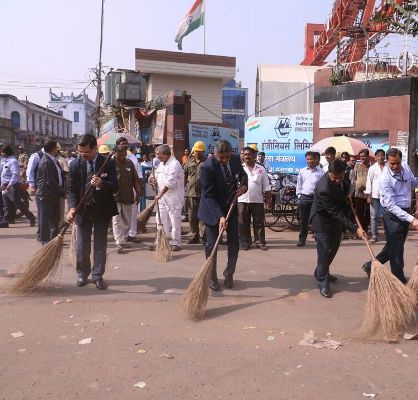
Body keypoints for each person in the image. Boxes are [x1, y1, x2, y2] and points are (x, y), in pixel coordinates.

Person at [67, 134, 118, 290]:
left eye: (86, 152)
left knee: (100, 244)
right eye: (80, 152)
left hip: (102, 209)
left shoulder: (107, 163)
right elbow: (71, 189)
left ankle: (97, 275)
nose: (83, 155)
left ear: (95, 148)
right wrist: (72, 208)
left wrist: (102, 183)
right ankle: (82, 274)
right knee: (82, 245)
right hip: (83, 210)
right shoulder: (75, 165)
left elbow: (116, 186)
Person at [361, 148, 418, 283]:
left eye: (397, 163)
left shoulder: (405, 167)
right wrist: (412, 219)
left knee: (394, 245)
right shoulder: (384, 179)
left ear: (401, 160)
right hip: (392, 214)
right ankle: (399, 279)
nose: (395, 166)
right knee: (397, 249)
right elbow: (391, 206)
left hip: (405, 211)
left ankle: (370, 265)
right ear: (387, 161)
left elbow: (412, 182)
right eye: (392, 163)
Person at [309, 159, 364, 298]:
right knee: (325, 248)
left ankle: (321, 271)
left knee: (335, 245)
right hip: (322, 219)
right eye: (335, 178)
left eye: (340, 177)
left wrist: (347, 196)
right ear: (329, 173)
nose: (338, 180)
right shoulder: (323, 188)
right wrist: (355, 228)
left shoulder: (343, 179)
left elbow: (344, 192)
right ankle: (322, 281)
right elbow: (335, 212)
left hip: (335, 219)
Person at [198, 140, 248, 291]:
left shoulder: (233, 160)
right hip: (212, 210)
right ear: (215, 153)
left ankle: (229, 273)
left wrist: (244, 187)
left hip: (231, 208)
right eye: (222, 158)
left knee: (234, 242)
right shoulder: (207, 167)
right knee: (211, 245)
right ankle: (212, 277)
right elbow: (209, 196)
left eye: (227, 157)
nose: (225, 161)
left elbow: (243, 175)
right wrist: (220, 216)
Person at [149, 144, 184, 251]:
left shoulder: (175, 164)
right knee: (160, 220)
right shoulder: (160, 164)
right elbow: (154, 176)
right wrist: (151, 180)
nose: (157, 156)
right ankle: (160, 241)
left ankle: (176, 243)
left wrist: (160, 194)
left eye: (158, 154)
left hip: (174, 198)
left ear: (165, 154)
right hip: (162, 198)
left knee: (174, 221)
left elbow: (170, 183)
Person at [238, 146, 270, 250]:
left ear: (254, 156)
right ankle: (245, 242)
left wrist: (268, 198)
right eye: (245, 154)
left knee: (259, 222)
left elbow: (266, 185)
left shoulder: (261, 169)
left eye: (249, 155)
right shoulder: (240, 168)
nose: (247, 156)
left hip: (257, 200)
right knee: (243, 223)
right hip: (242, 200)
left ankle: (260, 242)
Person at [112, 145, 141, 253]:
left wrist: (138, 193)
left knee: (127, 221)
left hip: (128, 196)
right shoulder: (110, 164)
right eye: (119, 155)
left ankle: (123, 240)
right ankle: (119, 242)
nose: (121, 157)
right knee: (116, 220)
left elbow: (135, 180)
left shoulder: (129, 163)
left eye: (123, 155)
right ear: (115, 153)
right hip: (115, 197)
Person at [35, 140, 65, 245]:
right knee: (44, 221)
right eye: (57, 148)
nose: (58, 150)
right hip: (45, 196)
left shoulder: (53, 160)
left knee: (54, 220)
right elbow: (49, 181)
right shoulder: (46, 161)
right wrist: (63, 191)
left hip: (53, 195)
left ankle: (54, 240)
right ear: (53, 148)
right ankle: (45, 242)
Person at [1, 145, 35, 226]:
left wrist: (9, 185)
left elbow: (15, 174)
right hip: (5, 186)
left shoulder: (13, 161)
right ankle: (6, 222)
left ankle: (31, 217)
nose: (1, 153)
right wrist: (2, 184)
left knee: (18, 204)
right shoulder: (6, 161)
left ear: (6, 153)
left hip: (12, 186)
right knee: (7, 205)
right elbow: (4, 175)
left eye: (2, 152)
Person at [296, 151, 324, 247]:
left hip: (316, 199)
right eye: (307, 159)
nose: (309, 161)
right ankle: (302, 239)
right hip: (305, 198)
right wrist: (299, 196)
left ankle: (318, 240)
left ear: (315, 159)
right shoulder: (302, 171)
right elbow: (299, 184)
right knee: (304, 220)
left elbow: (323, 186)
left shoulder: (321, 172)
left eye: (311, 159)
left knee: (317, 220)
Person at [183, 141, 206, 244]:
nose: (198, 153)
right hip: (191, 193)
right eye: (196, 151)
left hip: (204, 194)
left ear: (203, 152)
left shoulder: (207, 162)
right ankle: (194, 235)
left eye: (200, 151)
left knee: (203, 218)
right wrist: (183, 188)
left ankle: (204, 237)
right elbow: (184, 175)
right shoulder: (189, 162)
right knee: (192, 217)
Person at [364, 149, 385, 243]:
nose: (381, 157)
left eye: (382, 155)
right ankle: (374, 235)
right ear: (376, 157)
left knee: (386, 216)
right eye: (379, 155)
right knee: (374, 216)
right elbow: (369, 181)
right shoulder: (372, 168)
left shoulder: (388, 167)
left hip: (386, 196)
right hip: (375, 195)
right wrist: (368, 195)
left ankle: (388, 235)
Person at [353, 148, 371, 235]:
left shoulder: (372, 166)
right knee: (359, 212)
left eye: (364, 156)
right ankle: (360, 229)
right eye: (361, 156)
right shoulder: (357, 166)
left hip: (369, 192)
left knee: (368, 211)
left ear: (368, 156)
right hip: (358, 192)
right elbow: (353, 177)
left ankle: (365, 227)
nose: (362, 158)